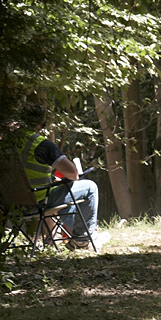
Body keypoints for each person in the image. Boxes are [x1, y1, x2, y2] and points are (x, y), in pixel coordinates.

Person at [17, 102, 106, 250]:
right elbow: (73, 173)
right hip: (38, 202)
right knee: (90, 187)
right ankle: (82, 240)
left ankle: (71, 236)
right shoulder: (40, 144)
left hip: (11, 204)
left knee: (63, 191)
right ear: (41, 123)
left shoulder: (7, 142)